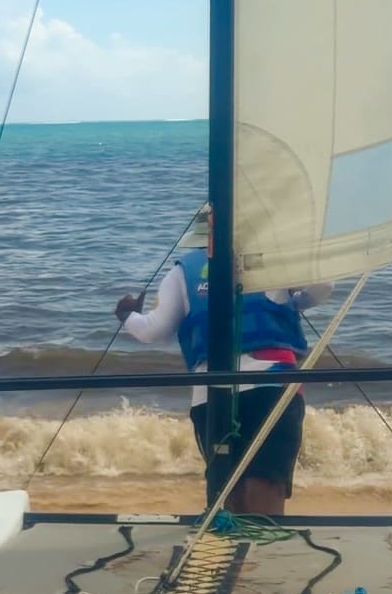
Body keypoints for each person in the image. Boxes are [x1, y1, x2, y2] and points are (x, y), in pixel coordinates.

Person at [115, 211, 330, 516]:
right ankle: (262, 551)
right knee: (267, 483)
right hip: (272, 386)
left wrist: (127, 315)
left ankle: (232, 555)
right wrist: (295, 298)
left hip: (210, 394)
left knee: (227, 488)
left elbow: (154, 330)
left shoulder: (182, 271)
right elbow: (324, 286)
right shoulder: (272, 258)